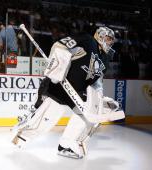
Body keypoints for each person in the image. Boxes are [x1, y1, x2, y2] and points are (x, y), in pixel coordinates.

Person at [12, 26, 125, 159]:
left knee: (85, 118)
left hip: (77, 93)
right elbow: (60, 45)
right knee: (46, 121)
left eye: (111, 40)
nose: (110, 42)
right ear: (100, 35)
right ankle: (20, 136)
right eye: (108, 38)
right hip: (60, 86)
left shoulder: (105, 59)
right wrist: (57, 66)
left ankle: (66, 145)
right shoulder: (88, 40)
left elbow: (97, 82)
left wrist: (99, 99)